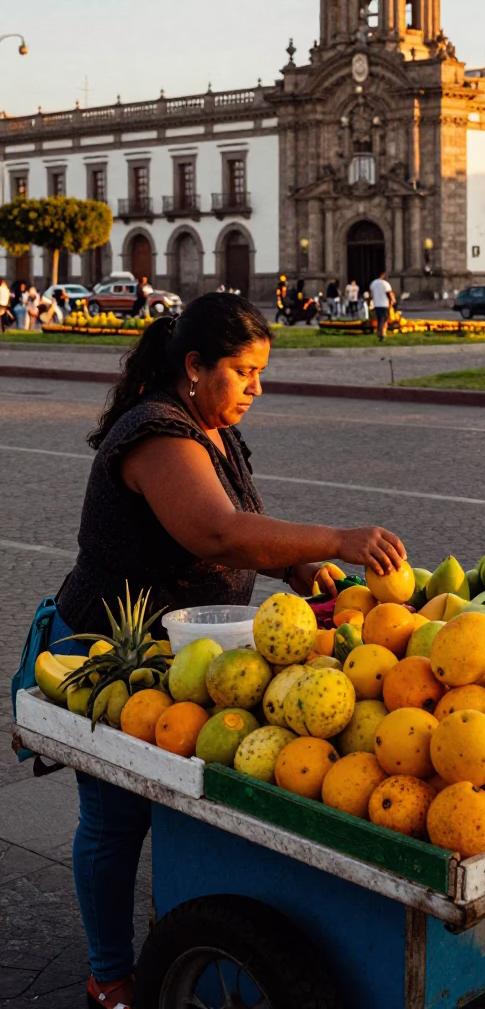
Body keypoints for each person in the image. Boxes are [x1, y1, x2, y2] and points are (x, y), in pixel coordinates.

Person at [23, 293, 405, 1009]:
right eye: (245, 371)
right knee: (114, 818)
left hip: (193, 657)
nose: (258, 388)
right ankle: (109, 974)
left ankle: (179, 927)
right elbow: (217, 532)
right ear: (195, 366)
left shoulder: (212, 425)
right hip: (111, 654)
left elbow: (245, 521)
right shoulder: (155, 433)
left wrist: (291, 566)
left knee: (185, 807)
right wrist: (333, 540)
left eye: (262, 372)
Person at [369, 270, 394, 341]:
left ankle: (379, 333)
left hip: (376, 304)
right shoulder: (385, 283)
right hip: (384, 304)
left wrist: (370, 304)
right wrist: (392, 300)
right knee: (384, 320)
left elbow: (371, 294)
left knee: (379, 319)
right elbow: (389, 293)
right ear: (382, 275)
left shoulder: (373, 283)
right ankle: (382, 334)